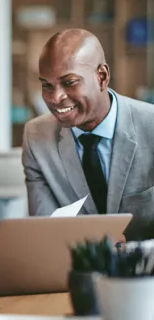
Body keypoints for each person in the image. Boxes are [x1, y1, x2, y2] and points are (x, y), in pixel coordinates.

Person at [22, 28, 154, 240]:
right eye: (47, 85)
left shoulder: (150, 126)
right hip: (75, 267)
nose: (56, 97)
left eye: (69, 82)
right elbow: (45, 231)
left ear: (101, 77)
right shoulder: (36, 137)